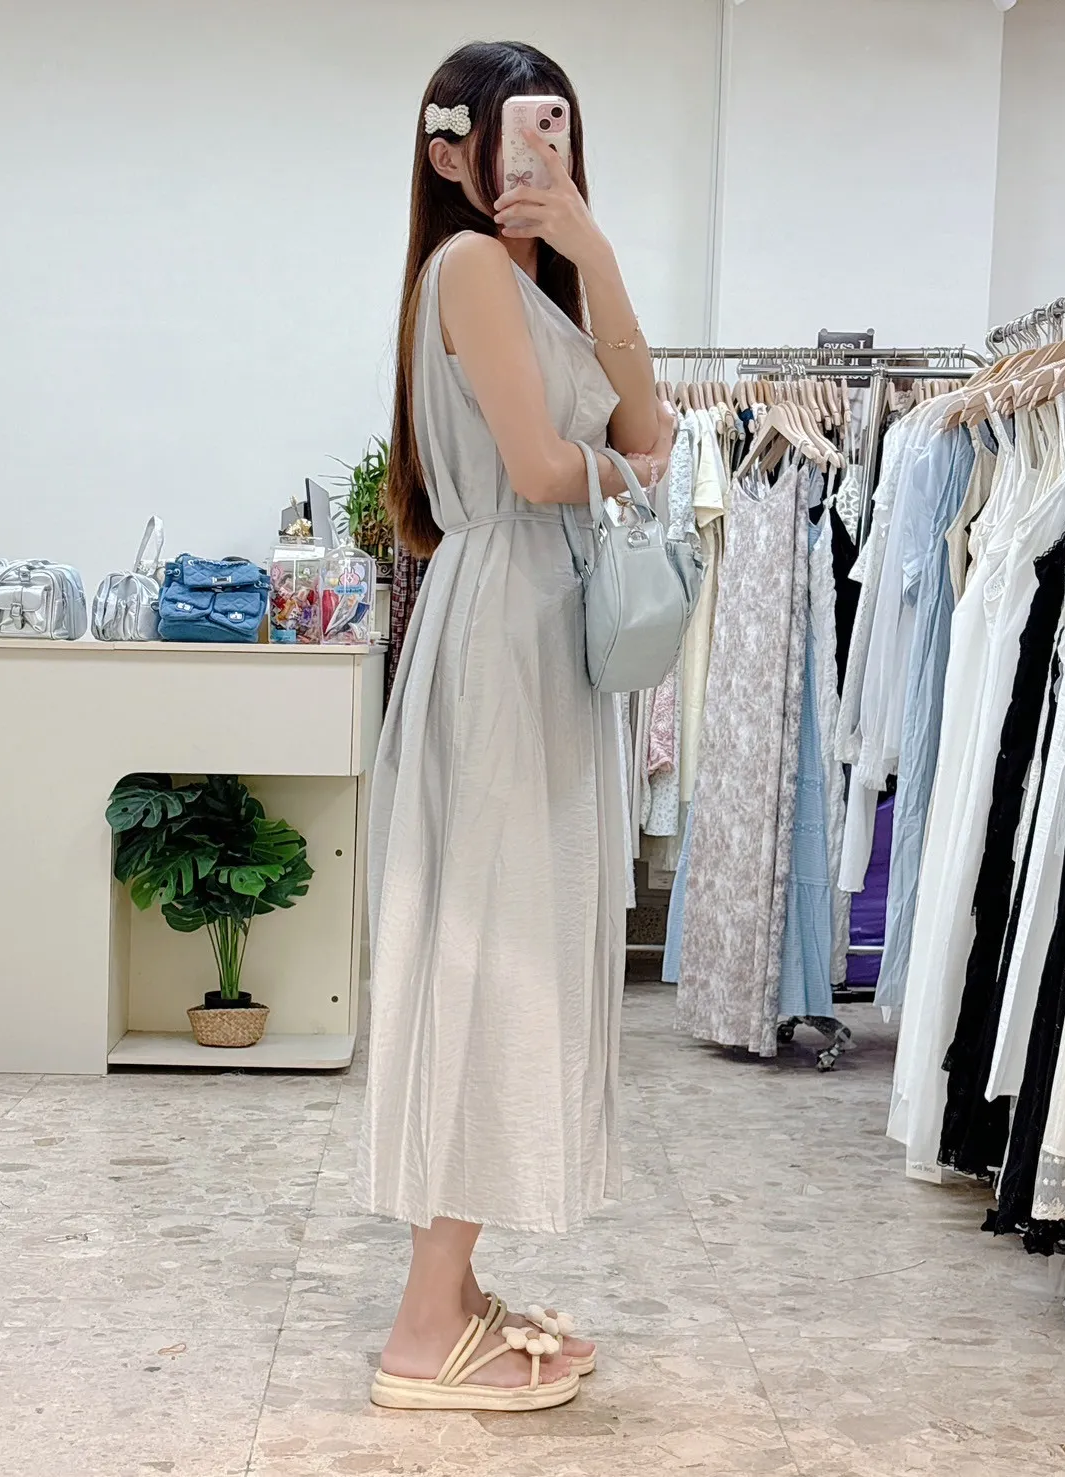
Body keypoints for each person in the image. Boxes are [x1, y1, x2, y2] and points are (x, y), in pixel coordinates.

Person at [358, 39, 674, 1412]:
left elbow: (645, 416)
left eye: (559, 130)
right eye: (514, 131)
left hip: (536, 631)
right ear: (451, 152)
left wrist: (595, 249)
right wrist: (626, 473)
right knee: (496, 954)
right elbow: (557, 468)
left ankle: (456, 1288)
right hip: (506, 630)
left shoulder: (535, 278)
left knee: (513, 944)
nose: (541, 154)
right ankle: (426, 1325)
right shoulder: (469, 268)